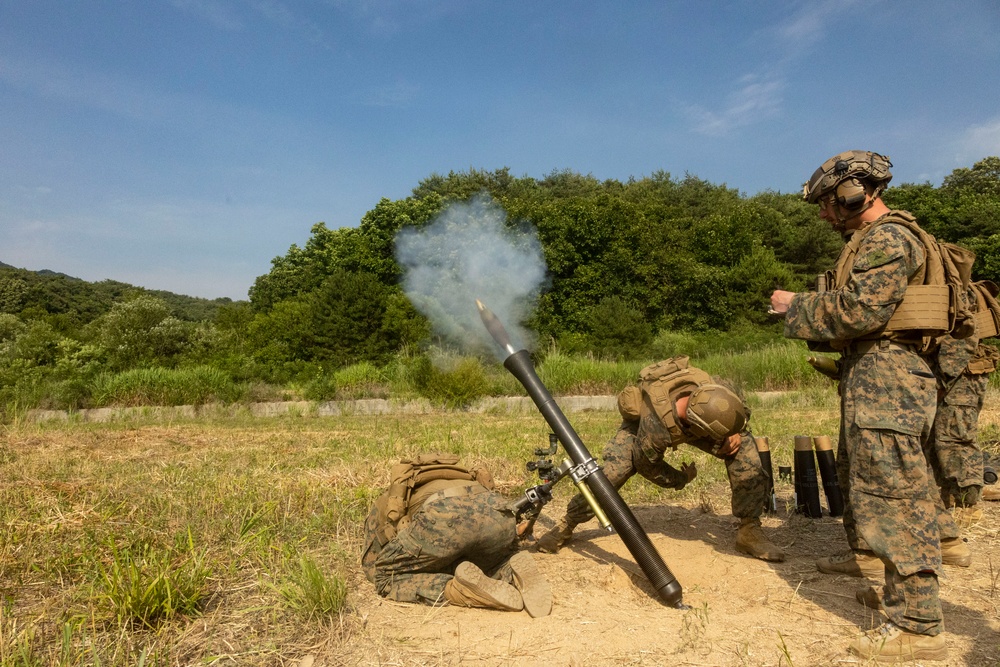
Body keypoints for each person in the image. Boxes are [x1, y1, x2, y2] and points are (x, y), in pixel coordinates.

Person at [770, 150, 953, 662]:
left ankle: (918, 626)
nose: (825, 215)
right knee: (872, 488)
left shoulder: (888, 238)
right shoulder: (870, 240)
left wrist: (795, 306)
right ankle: (893, 589)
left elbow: (860, 309)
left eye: (829, 204)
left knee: (897, 498)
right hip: (876, 378)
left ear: (855, 193)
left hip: (889, 380)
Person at [535, 355, 784, 563]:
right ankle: (567, 524)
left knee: (744, 450)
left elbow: (739, 407)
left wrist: (736, 432)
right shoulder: (656, 428)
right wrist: (680, 478)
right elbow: (647, 465)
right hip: (642, 426)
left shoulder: (716, 388)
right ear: (697, 427)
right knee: (613, 472)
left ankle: (749, 530)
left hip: (698, 421)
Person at [361, 453, 552, 617]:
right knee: (480, 554)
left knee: (384, 576)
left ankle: (459, 590)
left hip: (444, 515)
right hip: (494, 507)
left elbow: (371, 564)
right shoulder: (463, 476)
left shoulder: (390, 497)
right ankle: (509, 569)